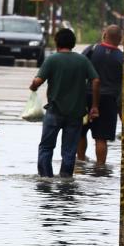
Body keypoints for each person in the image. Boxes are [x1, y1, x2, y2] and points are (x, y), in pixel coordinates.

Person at [29, 27, 99, 177]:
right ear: (73, 43)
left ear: (57, 42)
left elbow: (38, 81)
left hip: (54, 111)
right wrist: (94, 105)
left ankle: (45, 178)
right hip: (75, 114)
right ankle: (66, 179)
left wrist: (33, 86)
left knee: (46, 147)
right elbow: (96, 80)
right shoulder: (82, 60)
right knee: (69, 151)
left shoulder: (52, 59)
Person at [77, 24, 124, 165]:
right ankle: (100, 167)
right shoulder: (122, 58)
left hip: (86, 96)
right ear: (120, 39)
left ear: (104, 35)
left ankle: (80, 162)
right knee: (101, 138)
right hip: (109, 100)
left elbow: (79, 69)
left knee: (80, 132)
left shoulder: (92, 50)